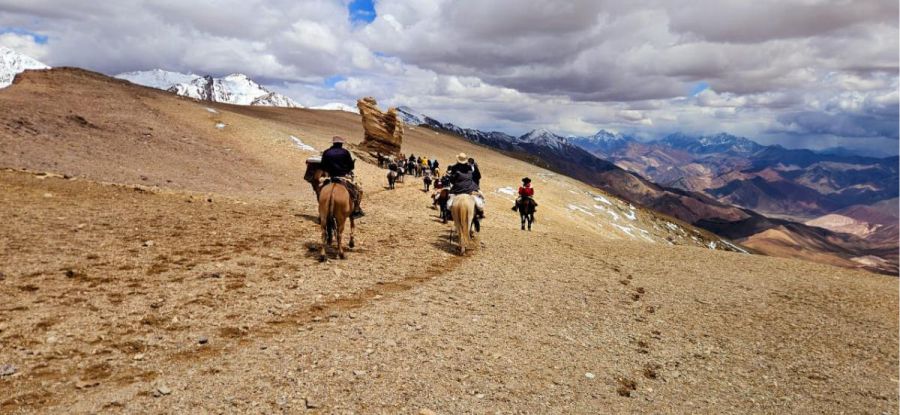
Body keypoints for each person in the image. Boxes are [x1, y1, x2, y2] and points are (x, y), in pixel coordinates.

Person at [320, 136, 364, 219]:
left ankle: (321, 210)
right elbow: (351, 166)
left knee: (320, 189)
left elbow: (322, 165)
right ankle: (356, 209)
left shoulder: (326, 152)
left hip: (330, 176)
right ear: (341, 144)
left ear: (333, 143)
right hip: (342, 176)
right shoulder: (345, 152)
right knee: (358, 190)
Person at [447, 152, 485, 219]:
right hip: (469, 188)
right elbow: (478, 176)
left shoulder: (454, 167)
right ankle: (480, 212)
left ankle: (449, 214)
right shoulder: (470, 167)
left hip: (458, 189)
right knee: (480, 198)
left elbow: (452, 180)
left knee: (449, 202)